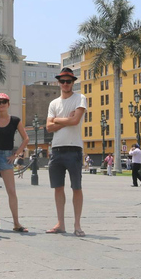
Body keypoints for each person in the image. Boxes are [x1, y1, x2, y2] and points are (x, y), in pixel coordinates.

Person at [45, 67, 86, 237]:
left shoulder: (80, 98)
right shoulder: (53, 103)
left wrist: (56, 119)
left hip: (74, 148)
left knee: (76, 187)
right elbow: (48, 127)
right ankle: (60, 223)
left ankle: (77, 224)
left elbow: (76, 120)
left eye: (69, 81)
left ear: (73, 82)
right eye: (62, 81)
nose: (65, 84)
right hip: (56, 149)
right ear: (58, 83)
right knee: (58, 187)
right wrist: (65, 120)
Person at [0, 93, 29, 233]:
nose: (1, 104)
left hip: (6, 156)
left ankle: (16, 223)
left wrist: (16, 154)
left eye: (4, 101)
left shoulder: (15, 120)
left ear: (8, 104)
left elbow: (25, 139)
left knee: (11, 190)